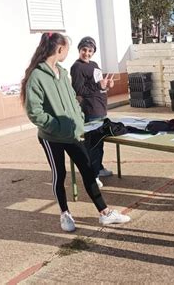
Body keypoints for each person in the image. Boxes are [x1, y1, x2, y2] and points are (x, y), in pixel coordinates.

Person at [21, 32, 130, 232]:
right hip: (51, 136)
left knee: (88, 170)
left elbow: (73, 100)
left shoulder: (62, 73)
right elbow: (34, 112)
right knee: (59, 174)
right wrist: (57, 126)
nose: (67, 53)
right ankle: (65, 214)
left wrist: (78, 120)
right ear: (59, 49)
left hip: (72, 133)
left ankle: (104, 213)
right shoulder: (36, 76)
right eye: (67, 49)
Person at [70, 36, 114, 188]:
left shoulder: (94, 64)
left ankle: (99, 168)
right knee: (92, 144)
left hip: (101, 106)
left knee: (99, 142)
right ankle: (92, 175)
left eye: (90, 51)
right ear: (79, 50)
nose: (87, 53)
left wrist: (107, 85)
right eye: (84, 50)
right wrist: (98, 86)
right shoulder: (77, 67)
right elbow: (79, 89)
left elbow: (99, 85)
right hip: (90, 109)